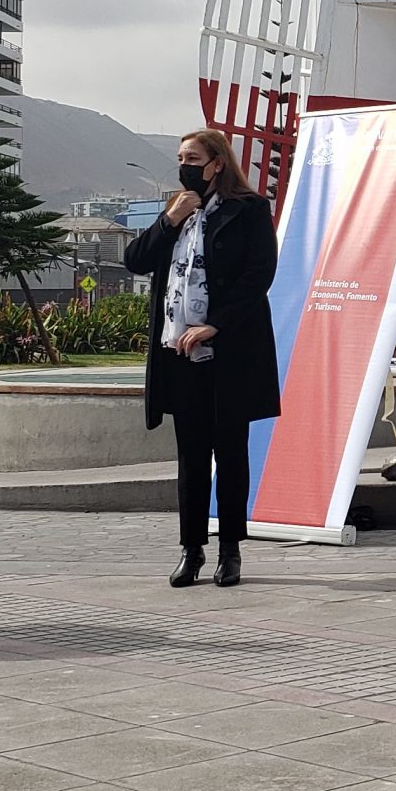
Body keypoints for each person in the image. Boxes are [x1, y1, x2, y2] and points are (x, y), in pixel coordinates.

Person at [125, 128, 279, 589]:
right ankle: (191, 550)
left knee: (230, 453)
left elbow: (259, 276)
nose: (184, 165)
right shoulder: (177, 211)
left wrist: (216, 324)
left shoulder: (249, 210)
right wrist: (169, 220)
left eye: (192, 158)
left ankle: (230, 549)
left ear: (217, 163)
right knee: (191, 457)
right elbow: (135, 261)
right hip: (179, 352)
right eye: (180, 158)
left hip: (228, 352)